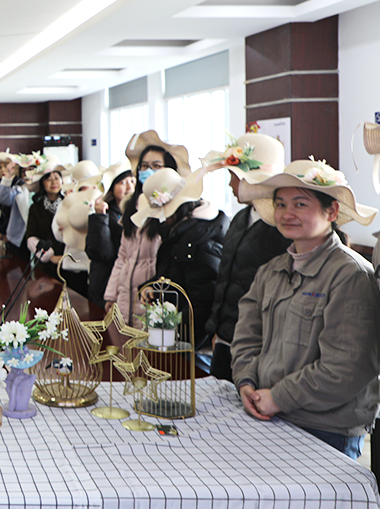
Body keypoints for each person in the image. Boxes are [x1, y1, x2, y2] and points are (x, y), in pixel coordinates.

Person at [233, 159, 380, 459]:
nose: (287, 214)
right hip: (268, 414)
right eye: (281, 204)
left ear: (332, 211)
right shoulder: (271, 271)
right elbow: (247, 335)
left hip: (326, 429)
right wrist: (246, 381)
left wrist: (279, 397)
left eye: (300, 204)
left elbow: (346, 368)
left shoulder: (350, 275)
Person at [203, 134, 289, 381]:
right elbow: (226, 276)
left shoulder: (281, 228)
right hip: (226, 338)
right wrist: (216, 327)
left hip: (259, 344)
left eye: (234, 176)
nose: (231, 185)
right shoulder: (240, 219)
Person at [130, 167, 227, 339]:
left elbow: (202, 303)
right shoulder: (179, 233)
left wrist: (178, 338)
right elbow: (174, 275)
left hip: (191, 340)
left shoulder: (197, 241)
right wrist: (153, 286)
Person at [105, 131, 190, 323]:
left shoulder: (173, 210)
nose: (148, 170)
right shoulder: (132, 206)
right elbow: (122, 256)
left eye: (156, 166)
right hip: (125, 294)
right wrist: (111, 296)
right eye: (144, 166)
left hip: (151, 297)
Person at [85, 164, 134, 309]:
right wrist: (100, 217)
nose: (129, 187)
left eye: (132, 181)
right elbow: (101, 252)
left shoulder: (138, 213)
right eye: (123, 182)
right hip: (105, 283)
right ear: (112, 189)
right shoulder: (105, 214)